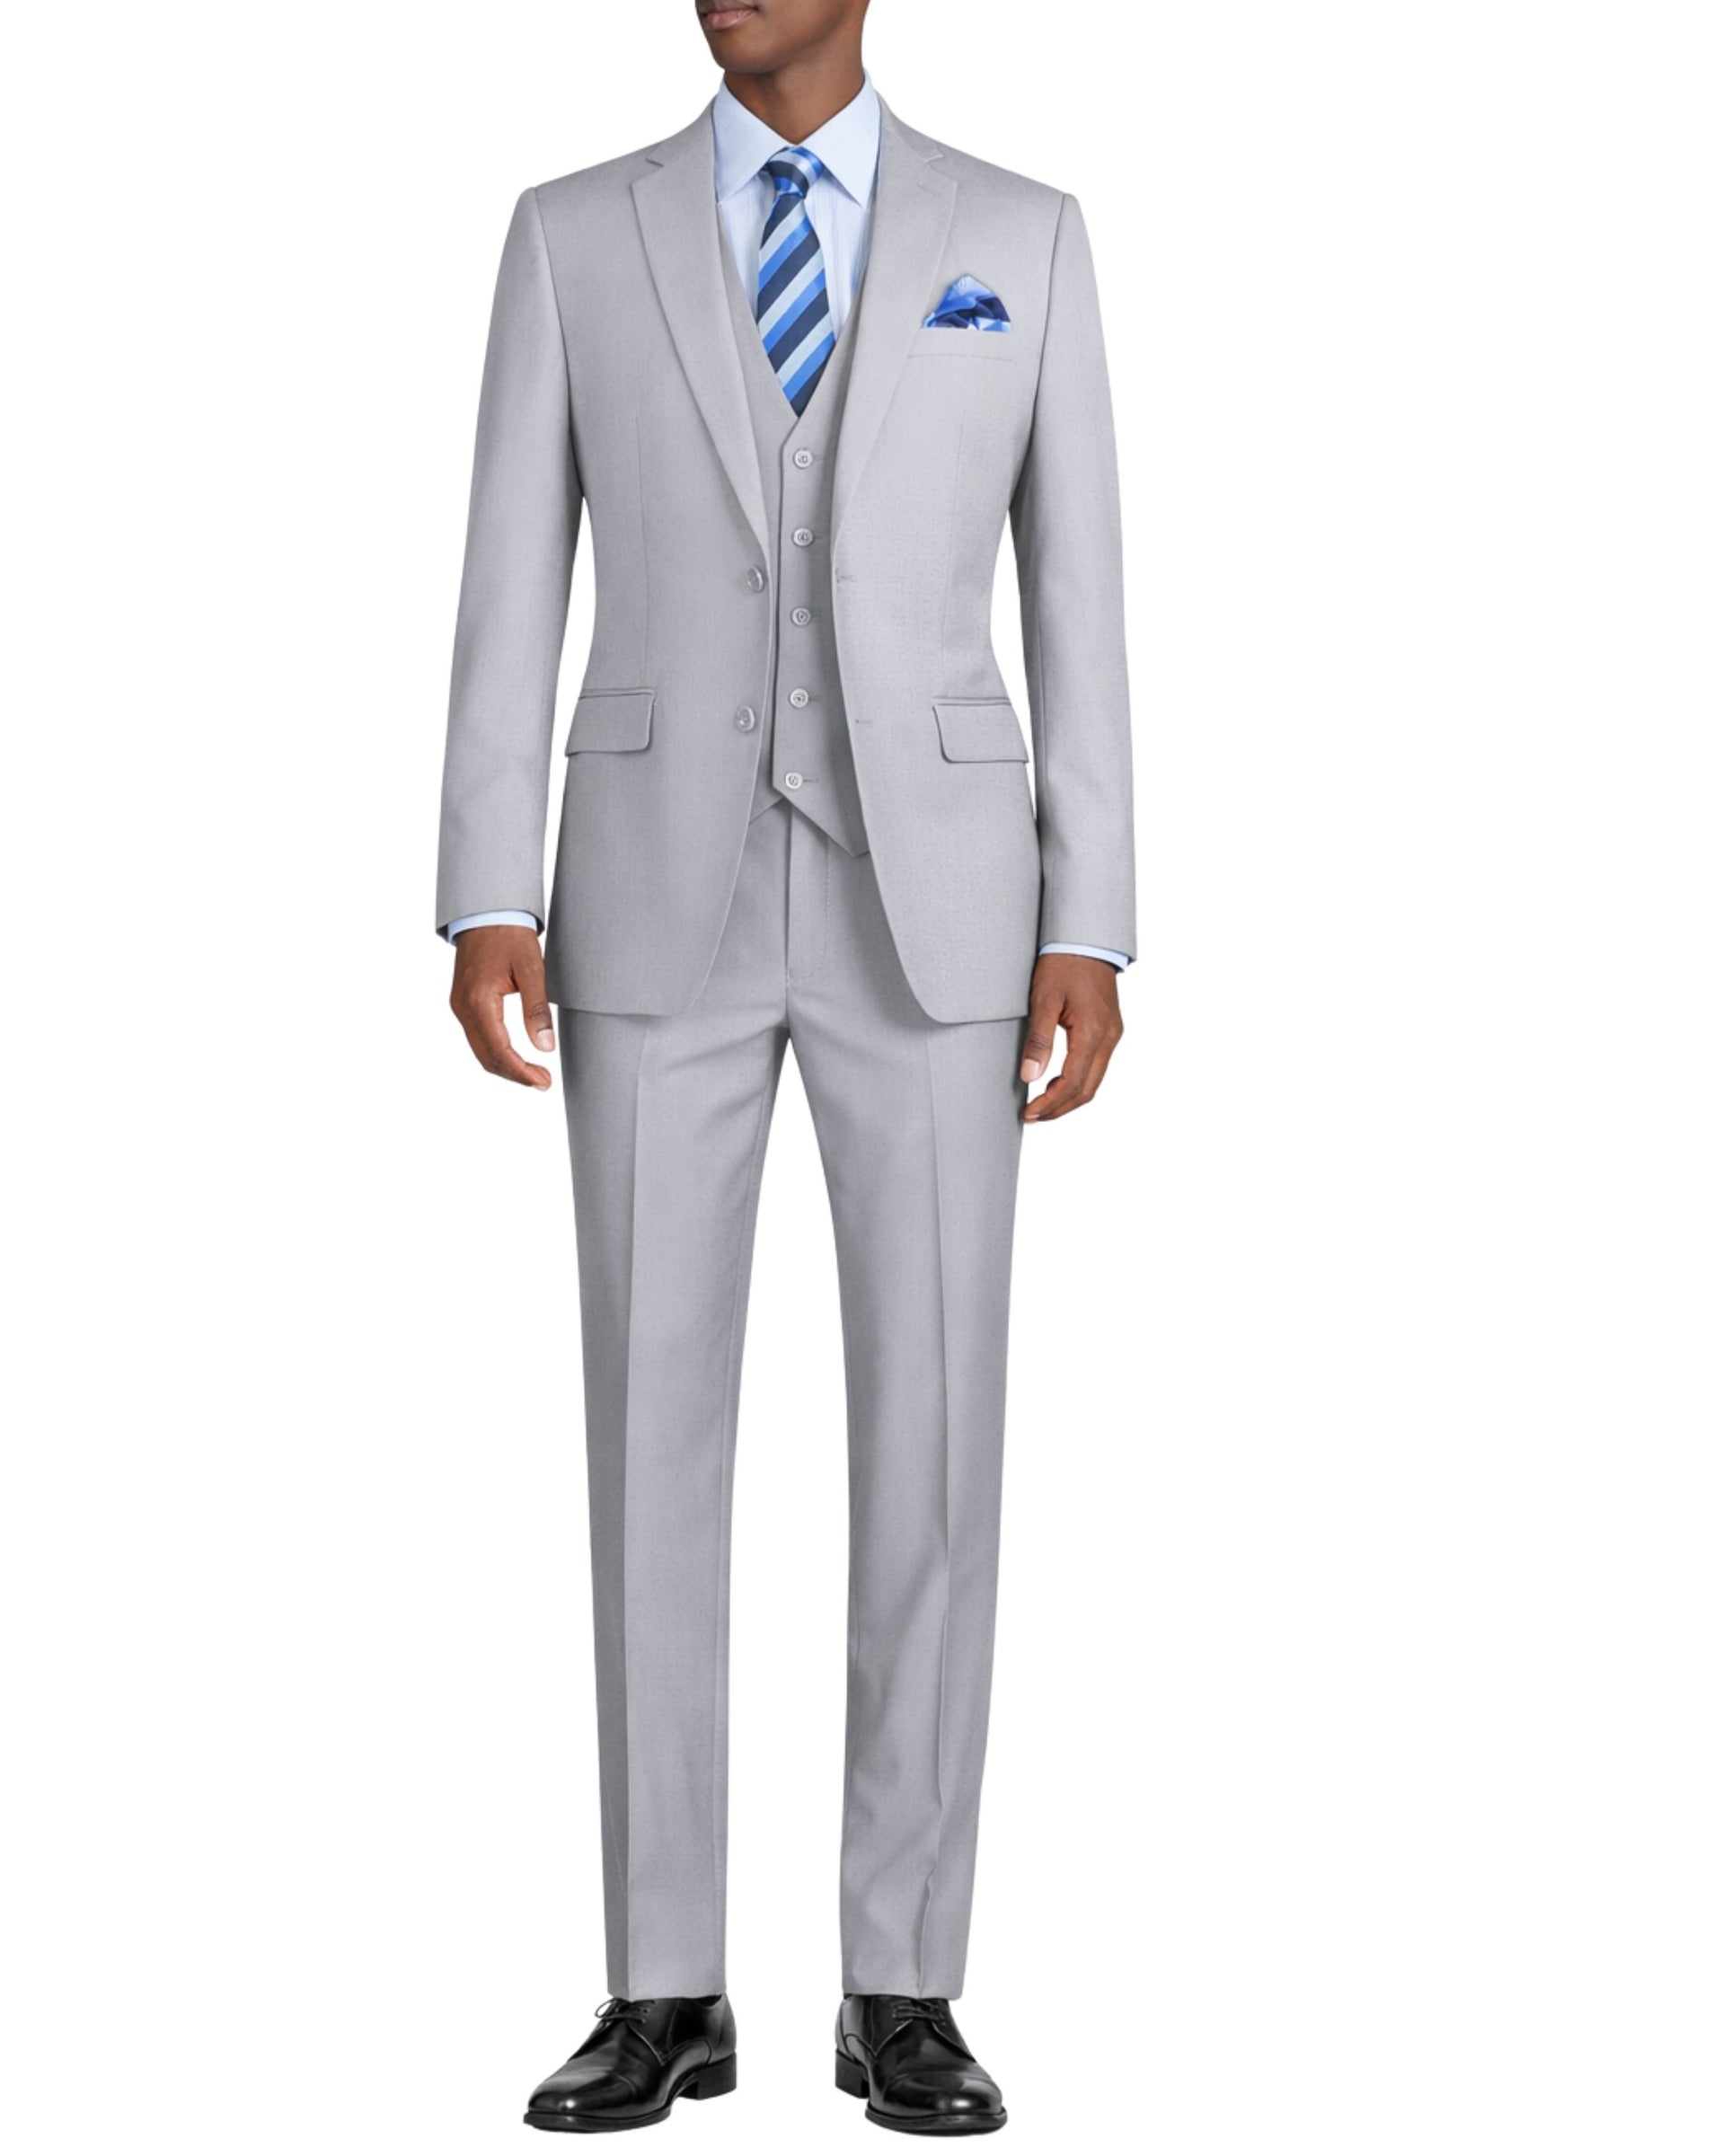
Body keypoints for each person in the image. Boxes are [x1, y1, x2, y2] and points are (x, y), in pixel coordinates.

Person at [437, 0, 1134, 2132]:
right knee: (647, 1444)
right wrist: (482, 886)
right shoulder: (574, 235)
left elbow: (1079, 591)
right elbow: (508, 578)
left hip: (944, 903)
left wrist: (1091, 915)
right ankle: (665, 1986)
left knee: (936, 1444)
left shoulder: (1021, 234)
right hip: (652, 895)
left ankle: (900, 1984)